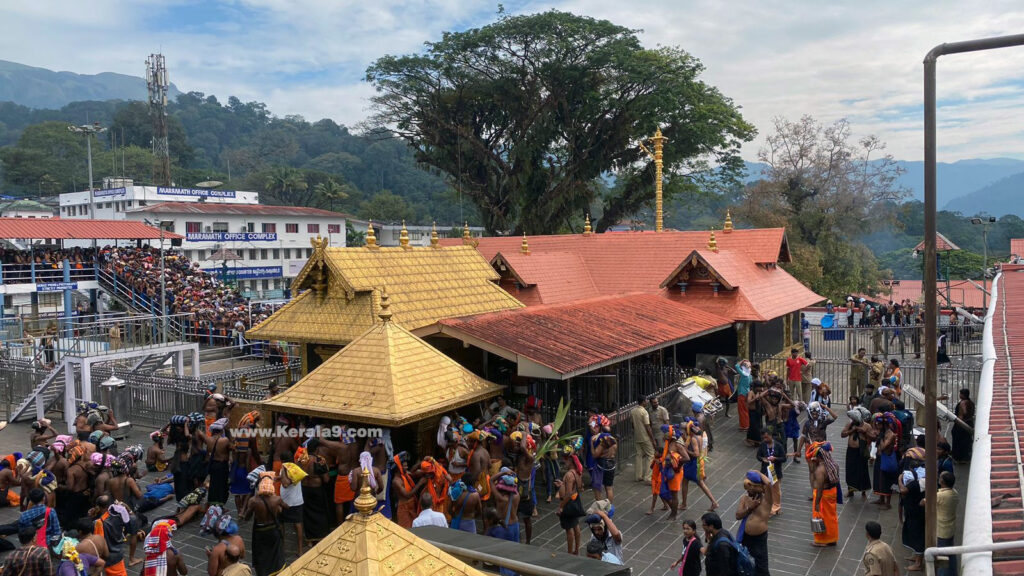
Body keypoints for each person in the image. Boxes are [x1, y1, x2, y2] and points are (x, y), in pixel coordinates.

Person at [240, 474, 286, 576]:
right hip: (273, 529)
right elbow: (286, 508)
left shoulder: (253, 501)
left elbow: (247, 517)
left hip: (259, 530)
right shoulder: (277, 499)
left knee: (261, 553)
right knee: (274, 553)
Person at [735, 471, 772, 576]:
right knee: (744, 561)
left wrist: (757, 472)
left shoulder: (767, 500)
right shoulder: (745, 499)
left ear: (756, 487)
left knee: (762, 566)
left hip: (759, 538)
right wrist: (750, 508)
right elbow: (738, 515)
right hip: (746, 537)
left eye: (750, 489)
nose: (748, 492)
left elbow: (768, 483)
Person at [680, 421, 718, 512]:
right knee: (687, 481)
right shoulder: (698, 436)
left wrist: (686, 451)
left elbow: (696, 453)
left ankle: (714, 502)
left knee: (699, 483)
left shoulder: (693, 439)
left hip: (693, 463)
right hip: (694, 463)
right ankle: (684, 503)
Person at [899, 447, 926, 572]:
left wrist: (900, 480)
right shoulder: (919, 479)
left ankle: (919, 563)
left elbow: (903, 490)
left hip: (917, 512)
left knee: (917, 534)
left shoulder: (918, 482)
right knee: (911, 532)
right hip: (911, 510)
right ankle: (916, 555)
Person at [809, 442, 840, 547]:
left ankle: (822, 540)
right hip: (832, 493)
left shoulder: (820, 470)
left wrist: (817, 503)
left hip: (824, 496)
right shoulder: (833, 464)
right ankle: (832, 538)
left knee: (821, 517)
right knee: (831, 516)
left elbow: (817, 486)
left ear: (819, 457)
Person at [555, 448, 585, 555]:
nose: (565, 462)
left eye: (566, 460)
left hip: (568, 504)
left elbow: (568, 494)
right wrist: (562, 484)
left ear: (571, 461)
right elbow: (580, 487)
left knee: (569, 529)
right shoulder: (578, 472)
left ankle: (569, 552)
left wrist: (561, 506)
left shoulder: (569, 475)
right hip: (575, 501)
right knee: (576, 526)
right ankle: (576, 550)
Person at [930, 471, 960, 576]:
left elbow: (924, 502)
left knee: (942, 558)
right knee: (950, 554)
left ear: (942, 481)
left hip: (941, 531)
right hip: (950, 529)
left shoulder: (941, 495)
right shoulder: (954, 493)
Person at [841, 407, 872, 498]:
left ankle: (863, 491)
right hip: (851, 451)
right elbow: (843, 434)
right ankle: (851, 491)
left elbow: (872, 437)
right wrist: (852, 430)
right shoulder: (850, 424)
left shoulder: (867, 426)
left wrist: (864, 432)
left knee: (863, 471)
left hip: (861, 451)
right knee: (850, 471)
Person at [756, 430, 785, 516]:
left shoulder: (778, 446)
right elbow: (758, 456)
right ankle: (768, 506)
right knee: (766, 489)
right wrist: (763, 459)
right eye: (763, 438)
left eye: (766, 437)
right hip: (765, 470)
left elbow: (784, 458)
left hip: (775, 470)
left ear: (771, 436)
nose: (765, 439)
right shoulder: (762, 445)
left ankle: (777, 506)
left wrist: (775, 459)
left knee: (776, 490)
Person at [701, 512, 737, 576]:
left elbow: (725, 569)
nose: (702, 527)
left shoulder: (722, 545)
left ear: (711, 526)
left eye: (704, 525)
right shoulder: (721, 533)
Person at [630, 396, 655, 483]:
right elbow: (647, 426)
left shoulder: (633, 411)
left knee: (639, 455)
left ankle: (638, 476)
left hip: (637, 436)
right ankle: (648, 477)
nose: (647, 401)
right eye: (646, 400)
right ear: (643, 402)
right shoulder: (644, 412)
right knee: (651, 455)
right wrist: (652, 439)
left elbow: (632, 424)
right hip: (645, 436)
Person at [951, 388, 974, 463]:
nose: (959, 395)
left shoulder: (963, 403)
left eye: (960, 393)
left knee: (959, 441)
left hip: (961, 424)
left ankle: (959, 457)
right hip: (969, 423)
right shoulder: (971, 402)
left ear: (962, 395)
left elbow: (963, 412)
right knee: (967, 441)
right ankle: (966, 457)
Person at [735, 360, 753, 432]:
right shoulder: (750, 376)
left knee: (742, 410)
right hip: (747, 393)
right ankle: (746, 424)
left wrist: (742, 361)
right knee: (746, 410)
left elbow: (736, 366)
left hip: (742, 394)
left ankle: (744, 425)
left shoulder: (743, 374)